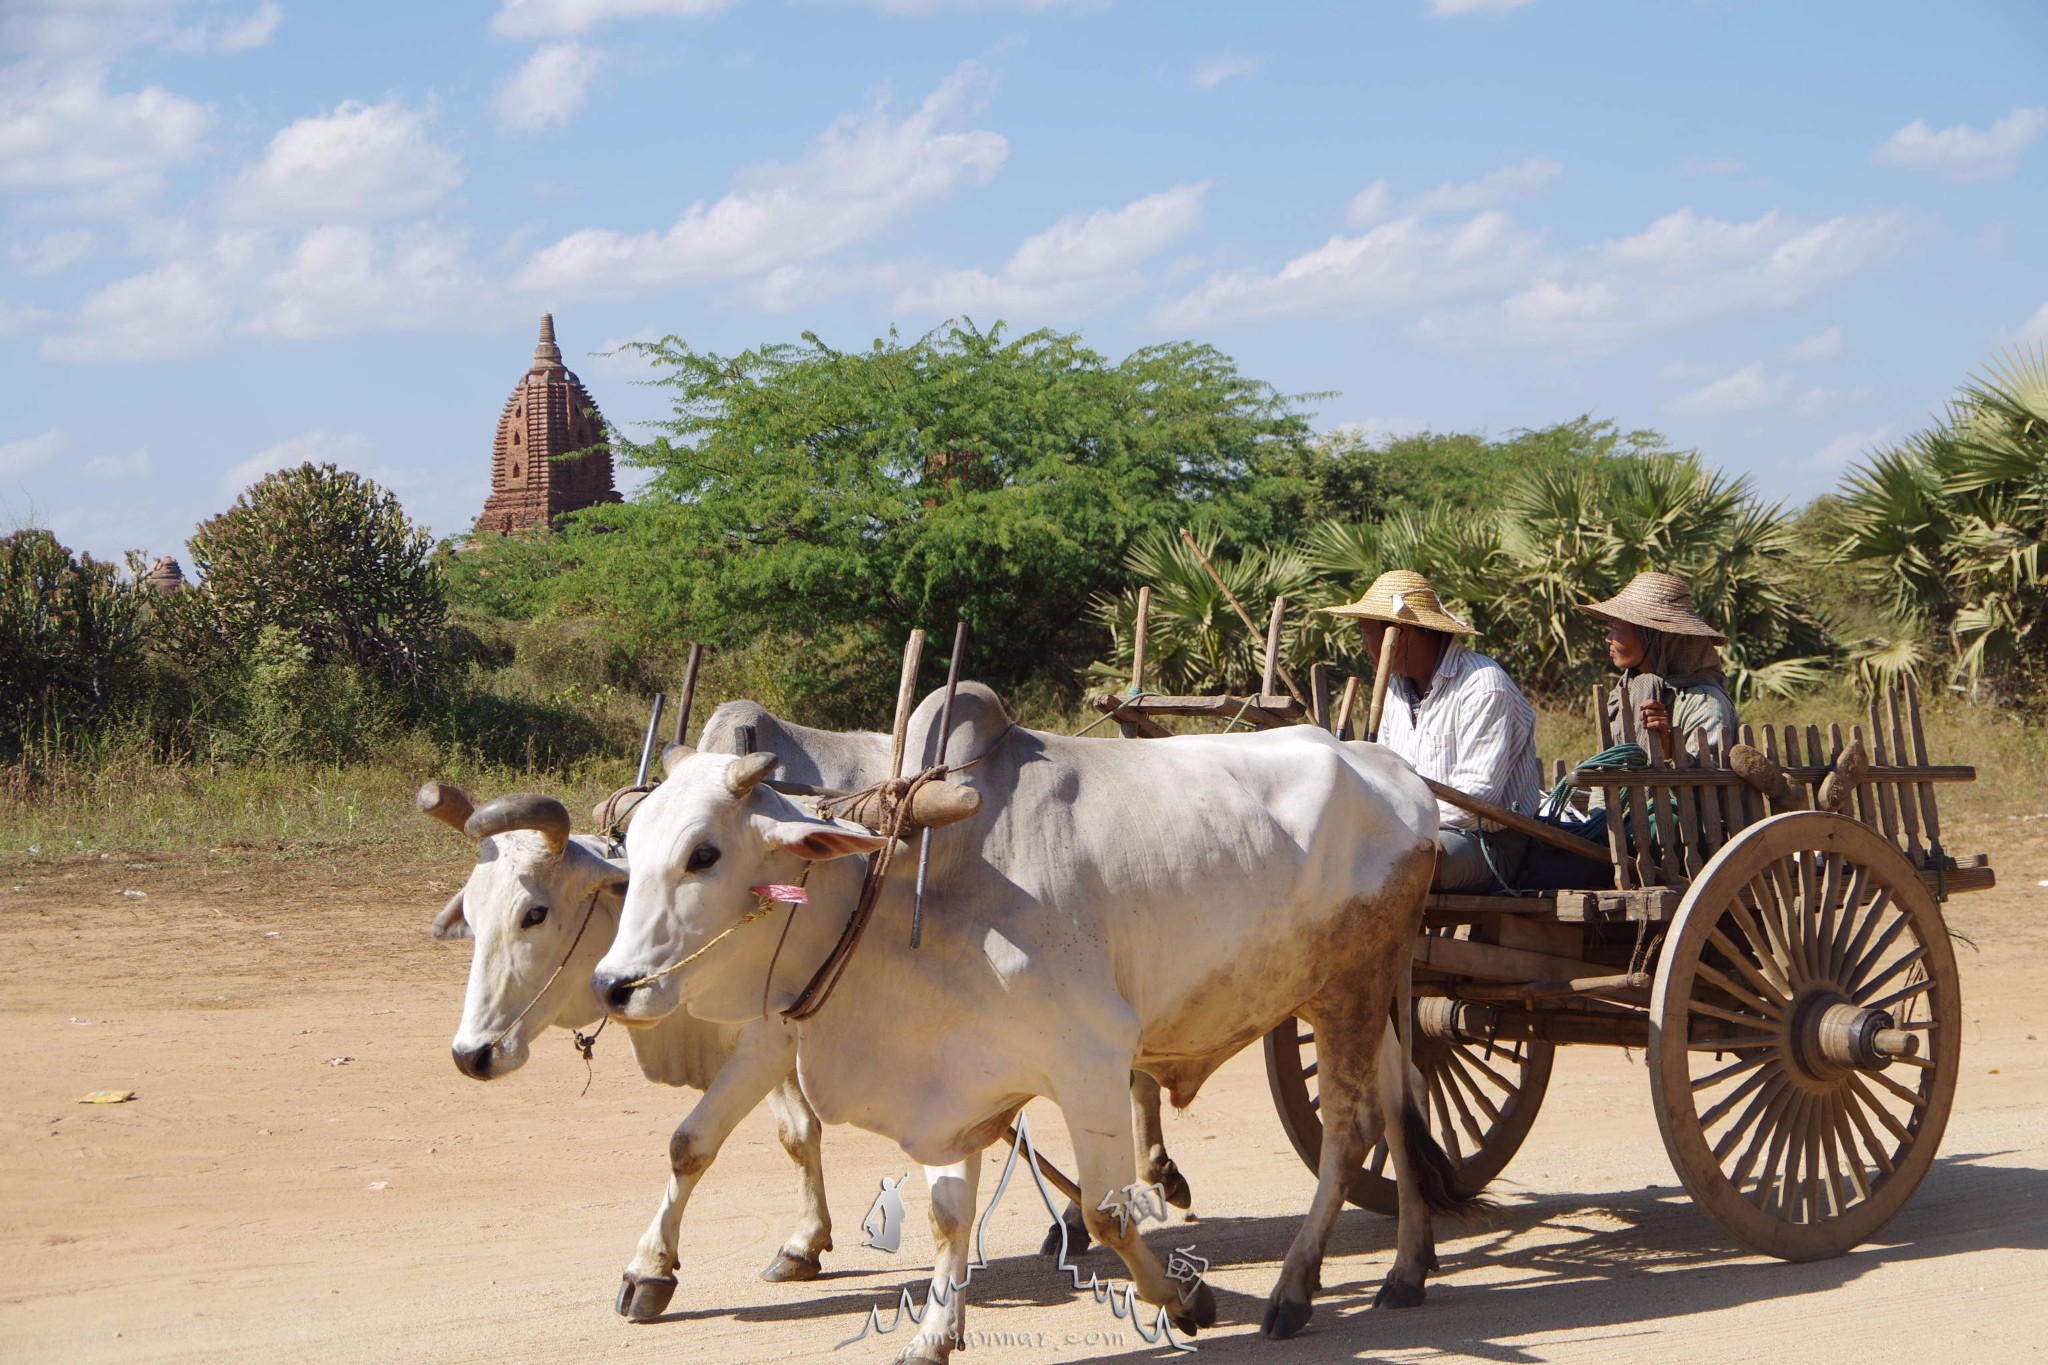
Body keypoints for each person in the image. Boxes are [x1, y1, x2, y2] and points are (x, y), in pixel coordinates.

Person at [1324, 570, 1544, 892]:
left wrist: (1395, 826)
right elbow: (1387, 775)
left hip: (1488, 841)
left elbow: (1476, 799)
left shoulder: (1483, 686)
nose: (1363, 645)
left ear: (1398, 635)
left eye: (1366, 632)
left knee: (1403, 862)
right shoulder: (1393, 690)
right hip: (1411, 833)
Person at [1519, 571, 1738, 889]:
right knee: (1549, 843)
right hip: (1632, 822)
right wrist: (1597, 822)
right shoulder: (1628, 694)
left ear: (1654, 635)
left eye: (1616, 629)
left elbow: (1711, 784)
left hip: (1685, 830)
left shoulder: (1705, 701)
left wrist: (1669, 749)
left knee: (1562, 863)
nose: (1608, 639)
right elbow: (1611, 769)